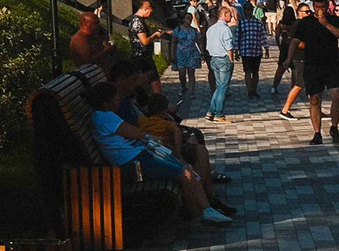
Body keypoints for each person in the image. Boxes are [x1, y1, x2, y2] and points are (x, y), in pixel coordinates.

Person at [88, 80, 232, 225]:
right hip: (133, 164)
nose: (119, 102)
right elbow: (136, 133)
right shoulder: (105, 117)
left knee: (186, 169)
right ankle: (197, 215)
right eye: (116, 99)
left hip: (136, 159)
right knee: (186, 174)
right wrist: (146, 136)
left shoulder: (99, 116)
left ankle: (206, 210)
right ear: (106, 102)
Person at [283, 0, 339, 143]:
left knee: (337, 95)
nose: (320, 10)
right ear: (314, 7)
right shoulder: (305, 22)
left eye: (323, 7)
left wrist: (326, 25)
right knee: (314, 99)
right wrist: (289, 58)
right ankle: (317, 132)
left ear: (328, 7)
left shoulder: (334, 20)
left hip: (331, 64)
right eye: (317, 7)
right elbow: (295, 41)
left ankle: (334, 127)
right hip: (313, 65)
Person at [201, 2, 235, 116]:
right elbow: (229, 46)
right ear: (224, 14)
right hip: (223, 59)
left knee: (219, 86)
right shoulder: (225, 29)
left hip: (213, 58)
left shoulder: (211, 29)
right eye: (230, 14)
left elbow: (208, 45)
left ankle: (211, 110)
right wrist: (231, 59)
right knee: (223, 87)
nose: (231, 17)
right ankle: (218, 113)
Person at [235, 0, 269, 99]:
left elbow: (263, 36)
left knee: (255, 72)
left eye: (250, 9)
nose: (248, 11)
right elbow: (237, 37)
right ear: (244, 11)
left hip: (256, 50)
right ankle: (250, 90)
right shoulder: (241, 23)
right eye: (246, 9)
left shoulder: (258, 23)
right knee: (247, 71)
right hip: (245, 51)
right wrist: (236, 51)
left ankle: (254, 89)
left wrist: (266, 48)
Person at [72, 4, 115, 78]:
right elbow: (86, 61)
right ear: (86, 24)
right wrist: (106, 50)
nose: (98, 26)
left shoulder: (93, 35)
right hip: (92, 75)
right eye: (95, 24)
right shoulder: (79, 40)